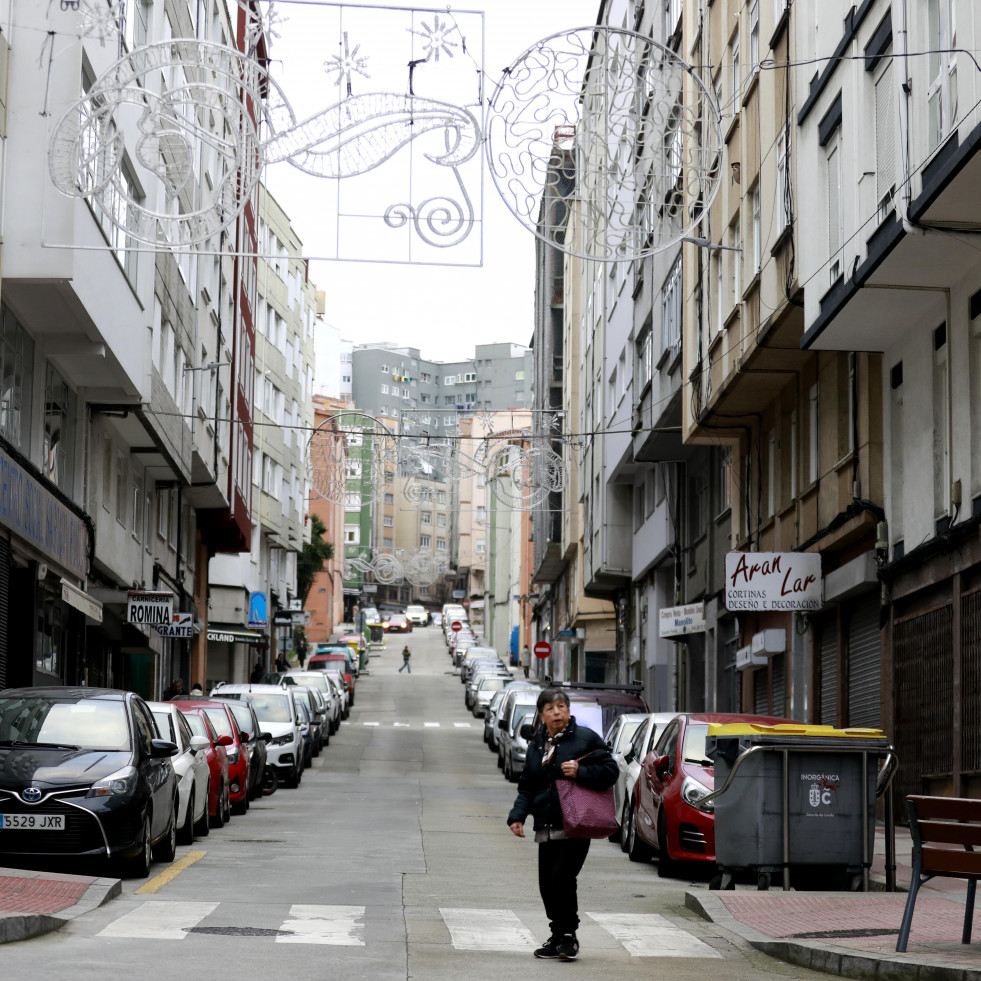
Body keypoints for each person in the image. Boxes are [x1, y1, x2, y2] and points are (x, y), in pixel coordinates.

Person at [507, 688, 618, 961]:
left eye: (561, 706)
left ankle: (569, 936)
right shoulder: (537, 745)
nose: (556, 712)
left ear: (568, 710)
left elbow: (610, 771)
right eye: (550, 708)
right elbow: (528, 787)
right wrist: (517, 816)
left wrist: (582, 771)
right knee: (547, 885)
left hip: (575, 824)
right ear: (542, 715)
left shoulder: (585, 739)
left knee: (562, 878)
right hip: (546, 826)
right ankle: (557, 935)